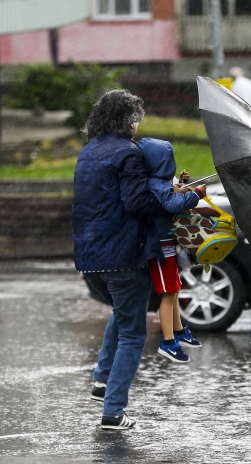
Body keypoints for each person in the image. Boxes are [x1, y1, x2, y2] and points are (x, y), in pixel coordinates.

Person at [73, 89, 166, 431]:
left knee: (125, 312)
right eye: (136, 118)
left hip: (89, 258)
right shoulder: (129, 153)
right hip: (123, 256)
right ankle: (113, 412)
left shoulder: (89, 151)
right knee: (133, 334)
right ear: (129, 122)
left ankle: (101, 380)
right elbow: (137, 202)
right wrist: (174, 199)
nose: (138, 125)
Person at [138, 138, 206, 363]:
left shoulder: (159, 182)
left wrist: (182, 186)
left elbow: (171, 195)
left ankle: (178, 330)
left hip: (168, 245)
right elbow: (173, 204)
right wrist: (195, 194)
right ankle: (168, 342)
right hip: (160, 249)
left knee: (174, 289)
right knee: (167, 294)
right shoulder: (156, 184)